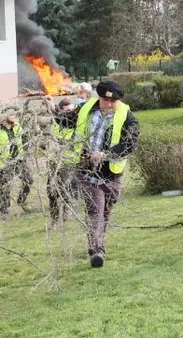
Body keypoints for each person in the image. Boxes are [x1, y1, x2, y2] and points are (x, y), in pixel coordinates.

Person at [55, 80, 140, 268]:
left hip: (112, 174)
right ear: (98, 97)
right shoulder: (85, 109)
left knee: (105, 212)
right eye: (104, 100)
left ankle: (97, 241)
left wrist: (106, 155)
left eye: (112, 101)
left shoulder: (128, 117)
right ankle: (97, 250)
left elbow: (130, 143)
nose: (108, 104)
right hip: (87, 170)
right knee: (95, 210)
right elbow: (66, 121)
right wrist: (51, 110)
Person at [0, 115, 33, 219]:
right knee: (5, 187)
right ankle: (4, 211)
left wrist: (26, 149)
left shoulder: (17, 127)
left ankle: (21, 199)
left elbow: (25, 139)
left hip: (19, 160)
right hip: (5, 162)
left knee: (29, 179)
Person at [49, 98, 80, 224]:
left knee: (64, 187)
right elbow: (53, 112)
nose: (70, 113)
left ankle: (67, 210)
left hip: (69, 161)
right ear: (61, 112)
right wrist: (50, 103)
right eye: (67, 111)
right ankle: (54, 218)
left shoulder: (76, 123)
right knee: (51, 191)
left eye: (72, 110)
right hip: (55, 161)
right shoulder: (57, 123)